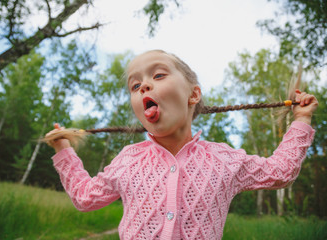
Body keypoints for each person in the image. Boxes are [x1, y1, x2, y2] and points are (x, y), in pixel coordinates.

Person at [45, 50, 318, 240]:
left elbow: (280, 172)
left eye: (159, 75)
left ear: (193, 94)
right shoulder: (128, 160)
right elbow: (84, 197)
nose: (143, 86)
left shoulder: (224, 159)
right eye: (135, 84)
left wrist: (302, 119)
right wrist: (63, 150)